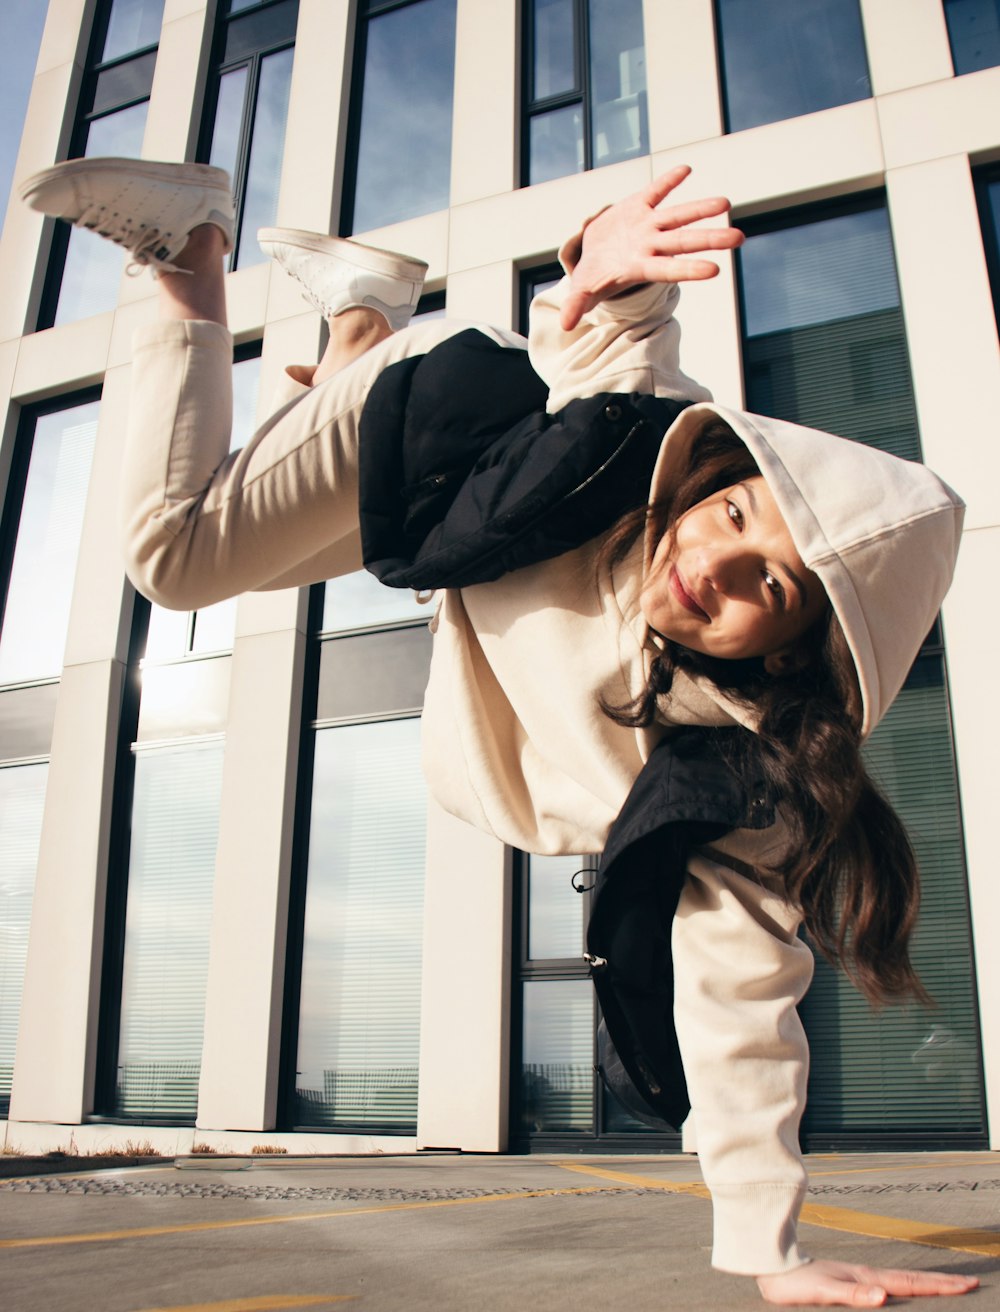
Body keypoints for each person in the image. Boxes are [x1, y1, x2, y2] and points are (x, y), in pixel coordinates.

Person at [21, 157, 980, 1307]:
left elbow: (742, 1007)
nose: (705, 563)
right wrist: (608, 274)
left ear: (787, 654)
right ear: (710, 479)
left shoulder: (735, 781)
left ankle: (362, 308)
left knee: (341, 544)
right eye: (729, 512)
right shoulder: (628, 466)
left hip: (442, 511)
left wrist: (767, 1250)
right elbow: (613, 349)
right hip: (436, 413)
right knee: (177, 555)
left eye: (762, 585)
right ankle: (192, 247)